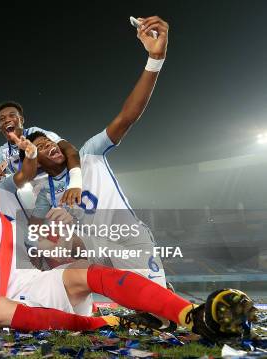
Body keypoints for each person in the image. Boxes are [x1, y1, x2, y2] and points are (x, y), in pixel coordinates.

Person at [0, 176, 257, 342]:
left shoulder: (19, 224)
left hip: (36, 283)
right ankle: (105, 322)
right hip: (6, 300)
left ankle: (193, 315)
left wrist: (63, 230)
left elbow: (55, 252)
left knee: (86, 270)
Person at [26, 14, 172, 285]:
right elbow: (35, 226)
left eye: (50, 142)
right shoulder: (45, 191)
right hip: (93, 245)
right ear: (36, 162)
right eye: (42, 148)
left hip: (127, 236)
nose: (51, 146)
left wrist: (156, 60)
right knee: (46, 244)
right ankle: (58, 294)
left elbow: (127, 116)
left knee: (160, 310)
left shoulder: (89, 153)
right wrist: (42, 236)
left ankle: (158, 288)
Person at [0, 102, 82, 207]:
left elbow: (69, 149)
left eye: (12, 115)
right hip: (39, 192)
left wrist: (75, 181)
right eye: (2, 119)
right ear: (0, 128)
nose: (7, 120)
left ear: (21, 120)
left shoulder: (35, 133)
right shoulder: (2, 151)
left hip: (63, 179)